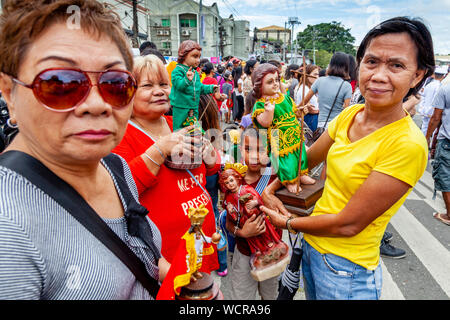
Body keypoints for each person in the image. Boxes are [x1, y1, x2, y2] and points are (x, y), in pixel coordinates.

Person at [0, 0, 169, 299]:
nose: (97, 104)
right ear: (9, 93)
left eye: (115, 83)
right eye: (60, 83)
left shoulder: (114, 166)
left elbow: (142, 262)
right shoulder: (9, 229)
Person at [262, 17, 433, 300]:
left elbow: (348, 224)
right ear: (359, 65)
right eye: (372, 62)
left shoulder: (407, 144)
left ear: (417, 76)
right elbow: (304, 160)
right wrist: (270, 187)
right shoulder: (349, 115)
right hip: (312, 248)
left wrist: (288, 224)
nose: (378, 75)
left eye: (397, 65)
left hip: (347, 270)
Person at [112, 55, 221, 276]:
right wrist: (160, 150)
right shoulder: (121, 135)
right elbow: (120, 190)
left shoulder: (178, 123)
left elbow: (210, 169)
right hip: (165, 255)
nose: (160, 91)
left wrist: (210, 154)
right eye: (147, 86)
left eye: (163, 84)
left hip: (201, 240)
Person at [224, 127, 281, 300]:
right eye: (248, 149)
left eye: (261, 149)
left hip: (272, 254)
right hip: (244, 253)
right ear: (240, 150)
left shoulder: (276, 178)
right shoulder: (232, 181)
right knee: (241, 297)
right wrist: (242, 232)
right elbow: (228, 222)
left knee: (270, 295)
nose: (255, 156)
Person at [251, 63, 316, 194]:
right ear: (259, 86)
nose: (275, 84)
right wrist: (269, 112)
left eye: (276, 80)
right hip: (278, 140)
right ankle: (289, 181)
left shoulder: (285, 98)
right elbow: (264, 123)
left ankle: (301, 174)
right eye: (270, 82)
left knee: (300, 156)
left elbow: (295, 113)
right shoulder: (261, 104)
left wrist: (303, 111)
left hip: (294, 135)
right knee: (286, 162)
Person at [168, 40, 225, 131]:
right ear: (183, 55)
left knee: (194, 129)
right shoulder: (177, 71)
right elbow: (179, 85)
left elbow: (199, 87)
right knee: (180, 129)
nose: (198, 60)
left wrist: (211, 88)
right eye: (194, 56)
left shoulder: (194, 72)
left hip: (194, 107)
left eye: (199, 57)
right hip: (181, 107)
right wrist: (186, 79)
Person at [302, 52, 353, 131]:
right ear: (346, 67)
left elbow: (304, 101)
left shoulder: (319, 81)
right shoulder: (346, 86)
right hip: (337, 126)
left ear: (331, 64)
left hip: (321, 125)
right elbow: (346, 111)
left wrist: (307, 106)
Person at [426, 81, 450, 226]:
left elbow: (436, 117)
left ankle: (449, 215)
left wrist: (427, 137)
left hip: (447, 141)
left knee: (445, 177)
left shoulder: (446, 88)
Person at [419, 67, 447, 136]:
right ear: (443, 76)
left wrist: (422, 108)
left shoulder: (429, 84)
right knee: (433, 129)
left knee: (424, 127)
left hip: (425, 110)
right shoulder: (439, 87)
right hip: (432, 111)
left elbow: (422, 96)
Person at [294, 64, 320, 132]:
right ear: (307, 76)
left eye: (318, 75)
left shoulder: (308, 88)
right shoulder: (304, 89)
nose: (317, 77)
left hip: (311, 119)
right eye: (315, 74)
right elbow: (309, 109)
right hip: (309, 119)